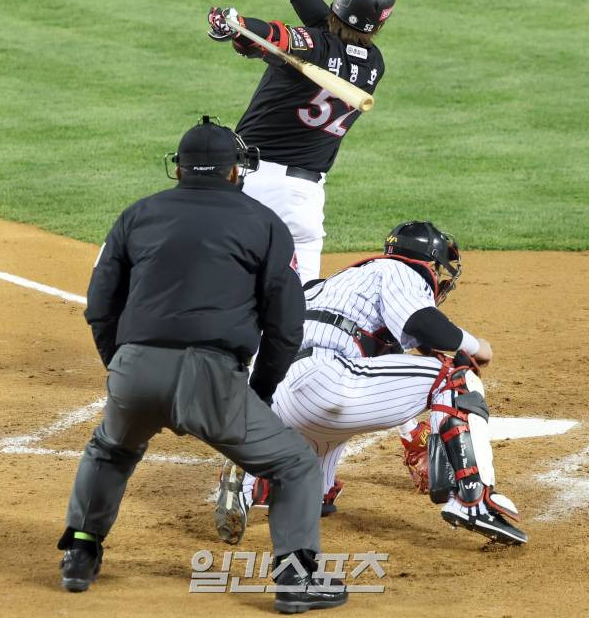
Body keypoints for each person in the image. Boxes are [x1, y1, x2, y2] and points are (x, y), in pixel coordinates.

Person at [57, 116, 348, 614]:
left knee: (110, 448)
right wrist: (258, 390)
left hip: (135, 371)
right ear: (238, 171)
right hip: (214, 379)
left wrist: (120, 366)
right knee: (294, 464)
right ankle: (297, 581)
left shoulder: (137, 214)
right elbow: (285, 325)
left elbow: (100, 305)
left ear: (180, 169)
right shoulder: (264, 223)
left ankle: (81, 553)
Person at [214, 221, 528, 547]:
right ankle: (473, 501)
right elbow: (424, 325)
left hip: (280, 397)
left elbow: (398, 356)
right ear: (427, 261)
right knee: (455, 379)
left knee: (310, 492)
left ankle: (256, 483)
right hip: (327, 382)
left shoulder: (332, 286)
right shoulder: (398, 270)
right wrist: (476, 346)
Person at [207, 0, 395, 284]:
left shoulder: (315, 45)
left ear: (339, 1)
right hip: (305, 200)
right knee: (298, 302)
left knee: (220, 278)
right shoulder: (374, 63)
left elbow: (275, 35)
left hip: (255, 184)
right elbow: (322, 25)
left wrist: (236, 26)